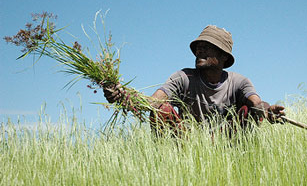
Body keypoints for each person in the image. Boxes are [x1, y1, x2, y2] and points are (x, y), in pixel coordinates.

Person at [104, 25, 285, 134]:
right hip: (189, 144)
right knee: (162, 110)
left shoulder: (239, 82)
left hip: (229, 142)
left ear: (223, 56)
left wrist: (267, 111)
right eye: (198, 47)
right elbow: (153, 102)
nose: (200, 51)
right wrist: (123, 97)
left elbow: (257, 103)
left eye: (207, 47)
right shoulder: (184, 78)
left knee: (249, 110)